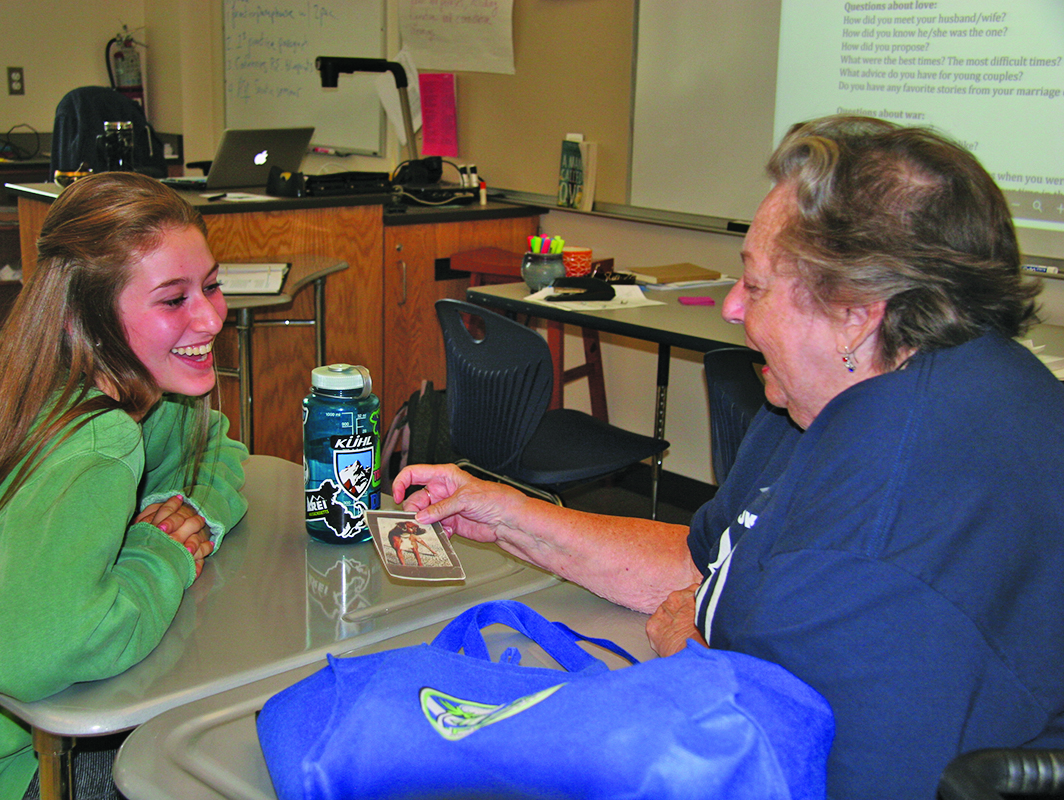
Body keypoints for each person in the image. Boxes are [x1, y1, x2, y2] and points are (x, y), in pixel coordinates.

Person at [393, 115, 1064, 800]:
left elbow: (790, 757)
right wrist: (512, 516)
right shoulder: (834, 393)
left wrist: (696, 649)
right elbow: (703, 563)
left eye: (758, 284)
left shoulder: (886, 539)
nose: (734, 308)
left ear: (856, 310)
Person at [0, 172, 249, 800]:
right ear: (88, 316)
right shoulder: (96, 443)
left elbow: (220, 452)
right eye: (173, 299)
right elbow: (21, 660)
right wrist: (164, 552)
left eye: (211, 286)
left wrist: (189, 513)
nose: (209, 317)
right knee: (244, 756)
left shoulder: (75, 385)